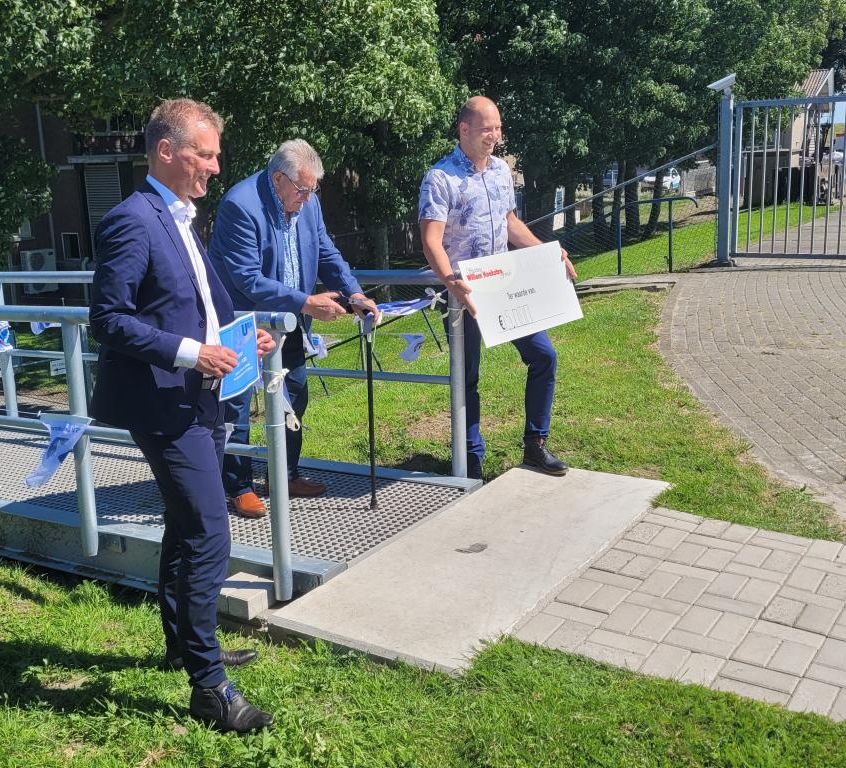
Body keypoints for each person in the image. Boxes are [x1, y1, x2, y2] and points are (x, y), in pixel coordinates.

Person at [89, 98, 276, 734]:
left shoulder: (181, 218)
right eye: (206, 153)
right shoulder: (131, 220)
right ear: (166, 152)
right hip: (162, 402)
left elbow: (194, 303)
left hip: (195, 396)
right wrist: (195, 352)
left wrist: (242, 340)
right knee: (208, 530)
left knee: (185, 524)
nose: (216, 167)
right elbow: (108, 320)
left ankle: (183, 645)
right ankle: (209, 684)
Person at [209, 139, 378, 518]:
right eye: (302, 190)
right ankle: (237, 487)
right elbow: (247, 279)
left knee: (295, 393)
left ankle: (284, 474)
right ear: (278, 179)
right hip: (243, 319)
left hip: (288, 321)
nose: (307, 198)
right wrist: (307, 303)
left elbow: (326, 252)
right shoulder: (241, 205)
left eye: (312, 190)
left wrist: (354, 293)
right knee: (236, 404)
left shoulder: (308, 202)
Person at [418, 96, 577, 480]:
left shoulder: (502, 172)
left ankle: (536, 446)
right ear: (465, 130)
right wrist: (449, 279)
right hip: (465, 295)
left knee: (544, 357)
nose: (495, 136)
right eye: (488, 128)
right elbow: (430, 240)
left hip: (505, 283)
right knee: (467, 378)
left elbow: (509, 223)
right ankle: (470, 458)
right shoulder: (440, 178)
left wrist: (550, 253)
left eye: (499, 128)